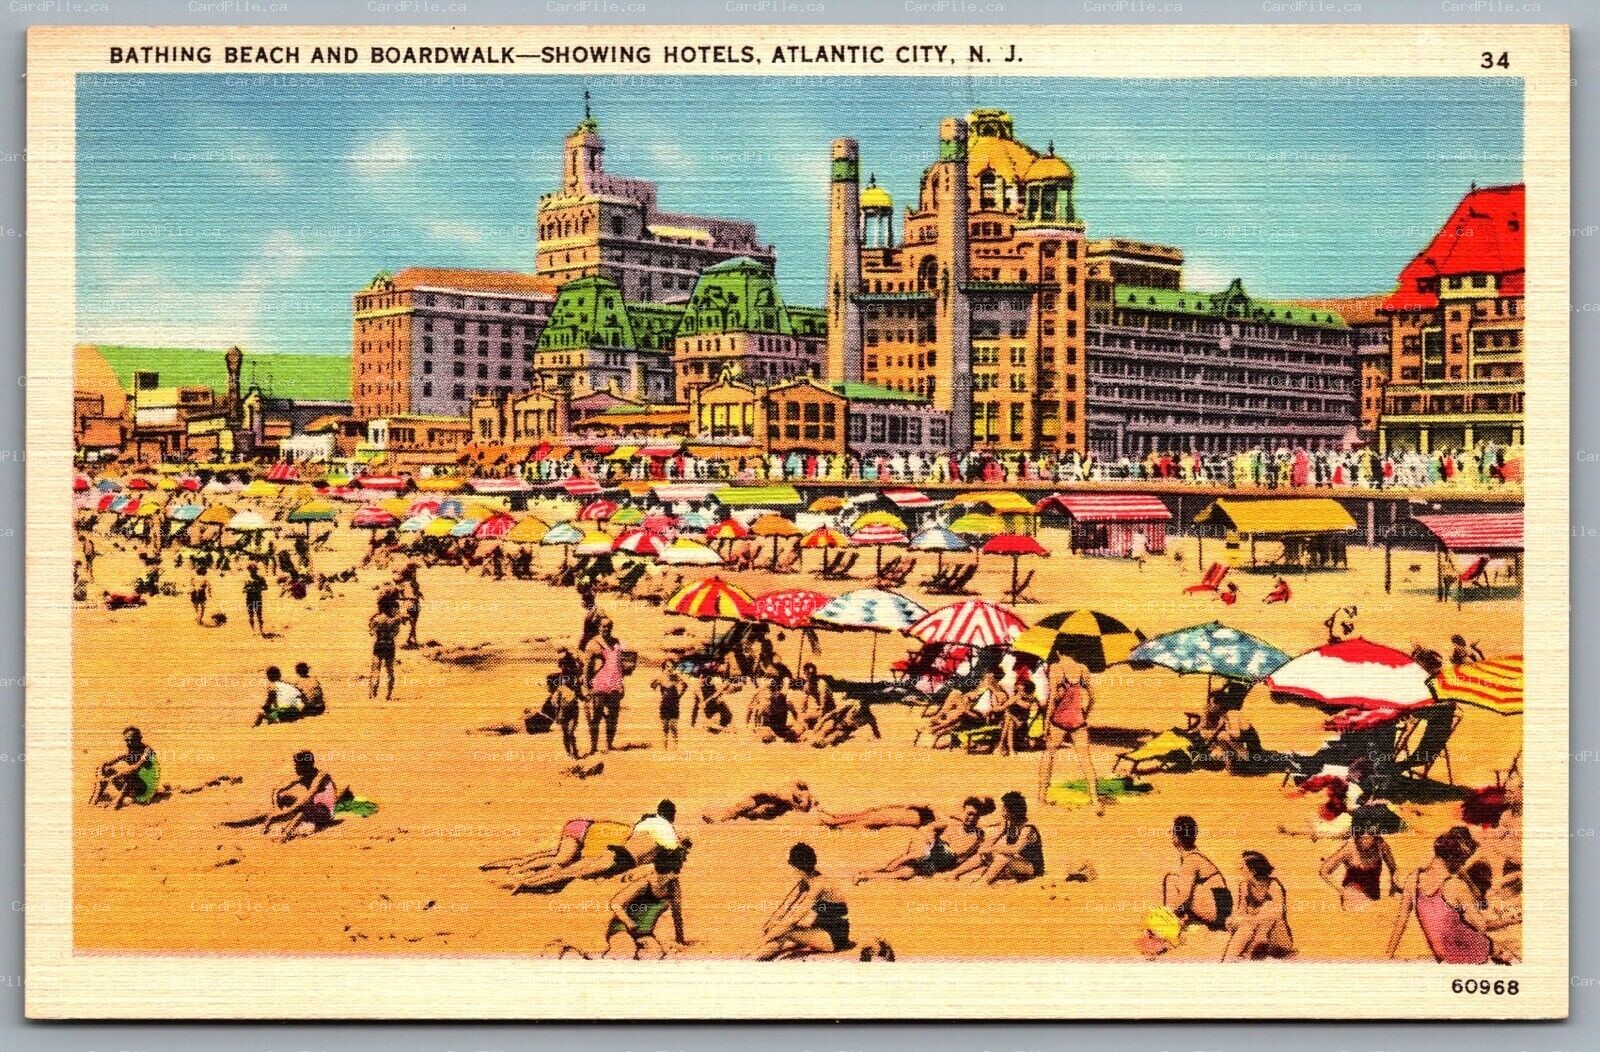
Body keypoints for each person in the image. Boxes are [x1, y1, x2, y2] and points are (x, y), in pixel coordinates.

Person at [1387, 826, 1519, 964]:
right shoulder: (1455, 886)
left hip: (1448, 960)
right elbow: (1482, 926)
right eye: (1463, 860)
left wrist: (1387, 958)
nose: (1463, 865)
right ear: (1457, 860)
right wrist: (1511, 920)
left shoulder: (1413, 879)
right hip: (1478, 956)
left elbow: (1400, 923)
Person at [550, 847, 690, 960]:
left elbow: (677, 914)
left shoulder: (674, 886)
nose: (673, 875)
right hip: (621, 927)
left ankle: (587, 957)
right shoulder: (645, 883)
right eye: (673, 871)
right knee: (625, 953)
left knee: (655, 955)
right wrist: (628, 922)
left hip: (644, 933)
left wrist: (680, 939)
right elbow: (616, 903)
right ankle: (572, 953)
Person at [514, 801, 681, 894]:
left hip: (614, 850)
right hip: (624, 859)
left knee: (572, 869)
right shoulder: (669, 832)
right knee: (575, 873)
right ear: (671, 816)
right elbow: (671, 852)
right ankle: (528, 885)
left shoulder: (647, 823)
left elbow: (631, 835)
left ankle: (529, 881)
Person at [854, 797, 995, 881]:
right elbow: (931, 814)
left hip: (937, 862)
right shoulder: (951, 822)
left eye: (975, 815)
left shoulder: (979, 835)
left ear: (979, 817)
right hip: (927, 848)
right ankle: (892, 865)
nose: (971, 817)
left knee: (906, 874)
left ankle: (868, 875)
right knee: (918, 854)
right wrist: (929, 841)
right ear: (963, 811)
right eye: (969, 814)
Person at [753, 843, 853, 959]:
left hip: (834, 938)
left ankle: (757, 957)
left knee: (784, 932)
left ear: (798, 867)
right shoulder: (806, 881)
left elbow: (796, 917)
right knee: (781, 932)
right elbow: (786, 906)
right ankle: (760, 956)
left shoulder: (818, 884)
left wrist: (767, 937)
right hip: (824, 930)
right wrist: (771, 923)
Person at [1039, 652, 1102, 815]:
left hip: (1058, 720)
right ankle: (1095, 800)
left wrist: (1046, 725)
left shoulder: (1056, 668)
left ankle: (1041, 797)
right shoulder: (1082, 669)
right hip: (1077, 719)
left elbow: (1052, 699)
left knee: (1048, 756)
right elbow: (1093, 698)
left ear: (1059, 651)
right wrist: (1084, 714)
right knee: (1086, 760)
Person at [949, 791, 1045, 885]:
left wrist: (993, 849)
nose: (1002, 810)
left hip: (1031, 867)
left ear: (1012, 812)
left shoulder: (1027, 829)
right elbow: (993, 834)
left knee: (1002, 857)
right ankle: (954, 874)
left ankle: (982, 883)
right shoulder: (1008, 822)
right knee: (985, 854)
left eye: (1004, 808)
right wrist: (986, 849)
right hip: (1015, 861)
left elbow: (1015, 849)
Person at [1162, 815, 1233, 931]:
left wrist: (1165, 913)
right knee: (1177, 881)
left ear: (1178, 837)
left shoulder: (1191, 860)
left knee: (1171, 880)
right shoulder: (1194, 855)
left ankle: (1169, 923)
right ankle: (1181, 919)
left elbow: (1184, 896)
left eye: (1173, 831)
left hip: (1217, 909)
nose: (1170, 833)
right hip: (1221, 907)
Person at [1221, 851, 1294, 961]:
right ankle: (1228, 962)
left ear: (1252, 871)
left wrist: (1253, 917)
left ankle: (1254, 947)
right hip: (1254, 932)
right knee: (1245, 926)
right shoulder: (1244, 886)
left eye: (1242, 867)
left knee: (1268, 907)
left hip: (1276, 936)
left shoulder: (1273, 885)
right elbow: (1240, 913)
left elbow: (1277, 915)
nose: (1239, 869)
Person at [1319, 812, 1400, 909]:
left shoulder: (1381, 845)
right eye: (1360, 835)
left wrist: (1393, 888)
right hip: (1353, 897)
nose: (1364, 839)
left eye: (1369, 835)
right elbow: (1324, 871)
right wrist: (1341, 891)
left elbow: (1393, 868)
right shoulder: (1349, 848)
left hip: (1374, 897)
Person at [261, 751, 338, 842]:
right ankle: (284, 820)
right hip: (312, 809)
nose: (295, 768)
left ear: (307, 766)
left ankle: (284, 835)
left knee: (303, 809)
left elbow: (306, 799)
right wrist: (276, 810)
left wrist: (282, 813)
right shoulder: (304, 776)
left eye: (297, 766)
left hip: (325, 814)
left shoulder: (320, 776)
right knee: (284, 797)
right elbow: (277, 790)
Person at [584, 617, 626, 754]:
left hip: (614, 685)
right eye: (603, 626)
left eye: (609, 626)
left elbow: (620, 666)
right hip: (599, 685)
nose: (606, 629)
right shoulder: (593, 644)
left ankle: (609, 744)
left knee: (613, 717)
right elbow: (587, 667)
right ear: (599, 627)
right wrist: (587, 686)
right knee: (596, 717)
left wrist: (622, 685)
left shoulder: (616, 642)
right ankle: (594, 747)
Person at [88, 727, 158, 808]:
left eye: (133, 740)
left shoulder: (147, 751)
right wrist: (101, 772)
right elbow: (107, 762)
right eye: (127, 740)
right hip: (133, 786)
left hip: (145, 788)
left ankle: (117, 802)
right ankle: (95, 798)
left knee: (130, 774)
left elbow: (136, 767)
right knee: (107, 770)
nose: (130, 743)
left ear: (140, 738)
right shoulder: (129, 750)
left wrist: (115, 776)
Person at [703, 782, 816, 823]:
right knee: (743, 809)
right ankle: (722, 818)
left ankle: (722, 818)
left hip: (773, 804)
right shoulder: (790, 791)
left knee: (754, 812)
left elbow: (803, 808)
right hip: (766, 799)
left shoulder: (794, 797)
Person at [368, 594, 404, 700]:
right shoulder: (395, 620)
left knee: (375, 670)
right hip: (390, 645)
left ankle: (373, 695)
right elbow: (396, 633)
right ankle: (388, 695)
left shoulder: (377, 620)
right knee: (390, 671)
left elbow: (371, 633)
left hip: (379, 645)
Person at [649, 660, 685, 750]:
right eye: (668, 666)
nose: (670, 668)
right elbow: (652, 686)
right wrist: (657, 680)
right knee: (665, 726)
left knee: (673, 725)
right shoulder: (661, 676)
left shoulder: (676, 676)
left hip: (674, 704)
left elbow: (685, 685)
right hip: (664, 703)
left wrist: (679, 696)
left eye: (672, 666)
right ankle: (665, 746)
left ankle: (676, 745)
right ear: (664, 667)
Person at [397, 564, 423, 648]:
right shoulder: (404, 584)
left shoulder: (414, 582)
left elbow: (416, 591)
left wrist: (419, 594)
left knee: (413, 623)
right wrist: (409, 597)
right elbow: (400, 595)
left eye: (415, 571)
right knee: (407, 621)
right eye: (413, 571)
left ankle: (411, 639)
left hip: (415, 604)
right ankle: (409, 639)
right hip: (408, 603)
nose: (415, 573)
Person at [242, 563, 268, 635]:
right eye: (251, 570)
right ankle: (253, 630)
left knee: (259, 615)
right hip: (249, 598)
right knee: (251, 615)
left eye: (254, 570)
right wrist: (247, 589)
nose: (253, 572)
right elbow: (243, 589)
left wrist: (257, 589)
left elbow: (265, 587)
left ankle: (261, 630)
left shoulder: (260, 578)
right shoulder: (247, 579)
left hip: (257, 598)